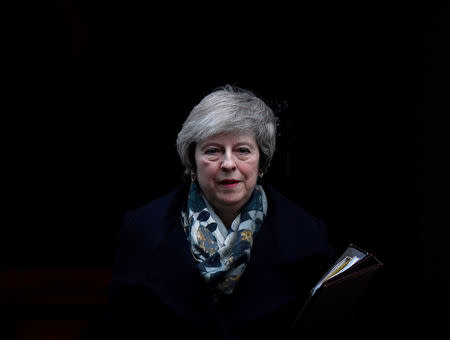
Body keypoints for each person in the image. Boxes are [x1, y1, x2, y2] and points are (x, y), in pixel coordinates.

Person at [104, 85, 360, 339]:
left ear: (262, 161)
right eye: (213, 150)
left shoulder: (308, 238)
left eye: (242, 150)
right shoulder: (142, 231)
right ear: (192, 161)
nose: (228, 163)